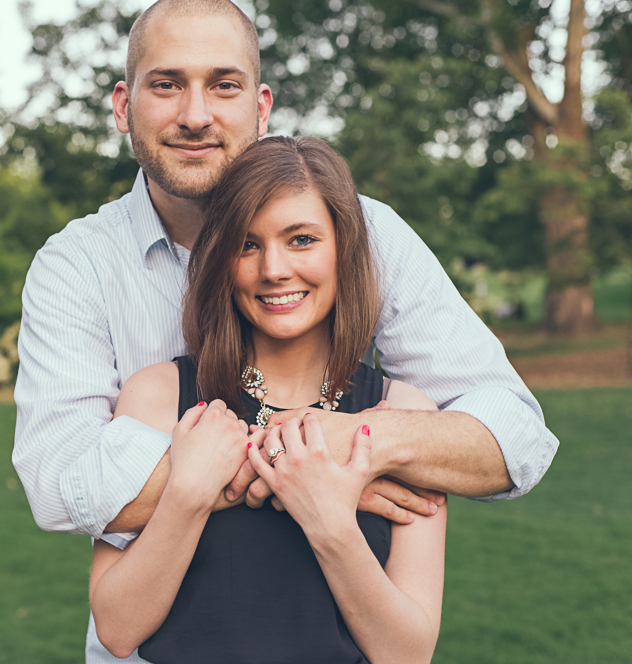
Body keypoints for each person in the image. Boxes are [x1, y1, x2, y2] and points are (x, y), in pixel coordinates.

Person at [12, 0, 556, 660]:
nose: (195, 114)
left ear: (261, 106)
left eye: (224, 85)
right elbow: (61, 486)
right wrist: (306, 464)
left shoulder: (364, 232)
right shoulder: (77, 267)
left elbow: (516, 440)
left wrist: (354, 441)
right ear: (124, 105)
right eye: (167, 84)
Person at [89, 134, 446, 664]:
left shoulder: (404, 416)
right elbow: (117, 628)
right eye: (247, 244)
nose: (274, 269)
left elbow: (407, 654)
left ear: (344, 249)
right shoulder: (158, 398)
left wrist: (328, 522)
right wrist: (189, 490)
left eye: (301, 239)